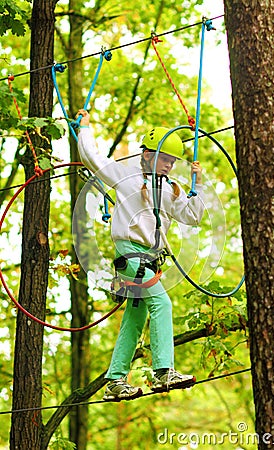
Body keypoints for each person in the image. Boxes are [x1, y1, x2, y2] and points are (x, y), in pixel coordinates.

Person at [76, 109, 204, 401]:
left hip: (149, 259)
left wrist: (199, 186)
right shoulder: (126, 174)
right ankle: (163, 372)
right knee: (161, 302)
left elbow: (192, 216)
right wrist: (85, 127)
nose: (170, 165)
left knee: (136, 317)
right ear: (147, 155)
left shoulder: (170, 189)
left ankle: (115, 380)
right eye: (164, 158)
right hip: (130, 254)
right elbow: (92, 157)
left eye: (173, 161)